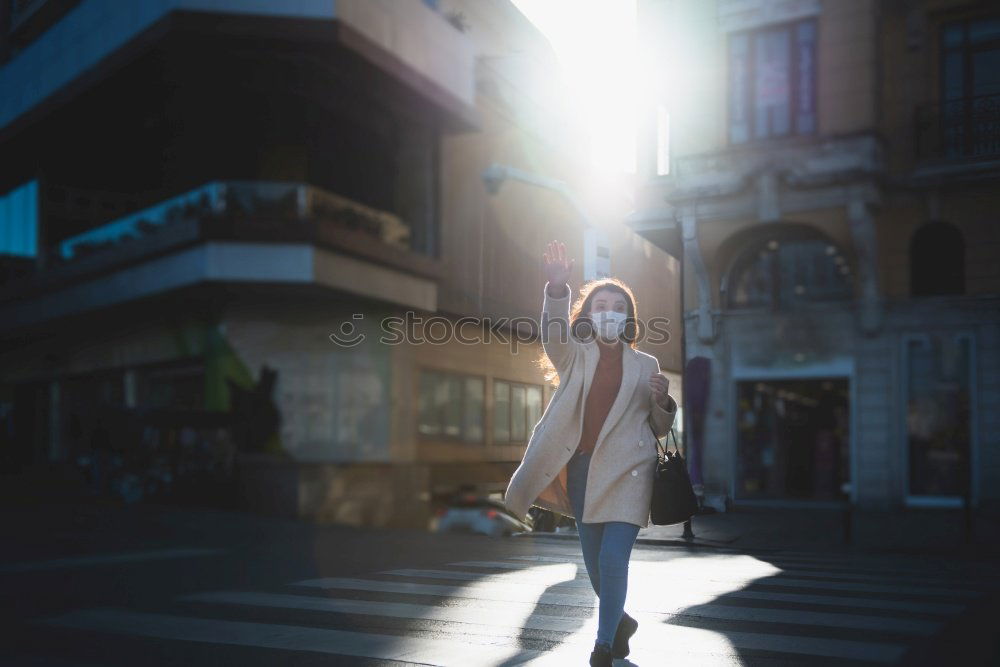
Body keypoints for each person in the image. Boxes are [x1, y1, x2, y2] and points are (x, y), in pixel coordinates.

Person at [504, 240, 677, 666]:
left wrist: (663, 401)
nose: (609, 312)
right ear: (589, 313)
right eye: (600, 305)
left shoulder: (647, 365)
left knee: (614, 560)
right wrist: (557, 288)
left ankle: (602, 644)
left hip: (631, 474)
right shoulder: (574, 356)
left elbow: (657, 426)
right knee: (596, 568)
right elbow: (554, 334)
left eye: (617, 305)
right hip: (582, 471)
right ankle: (621, 623)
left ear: (628, 315)